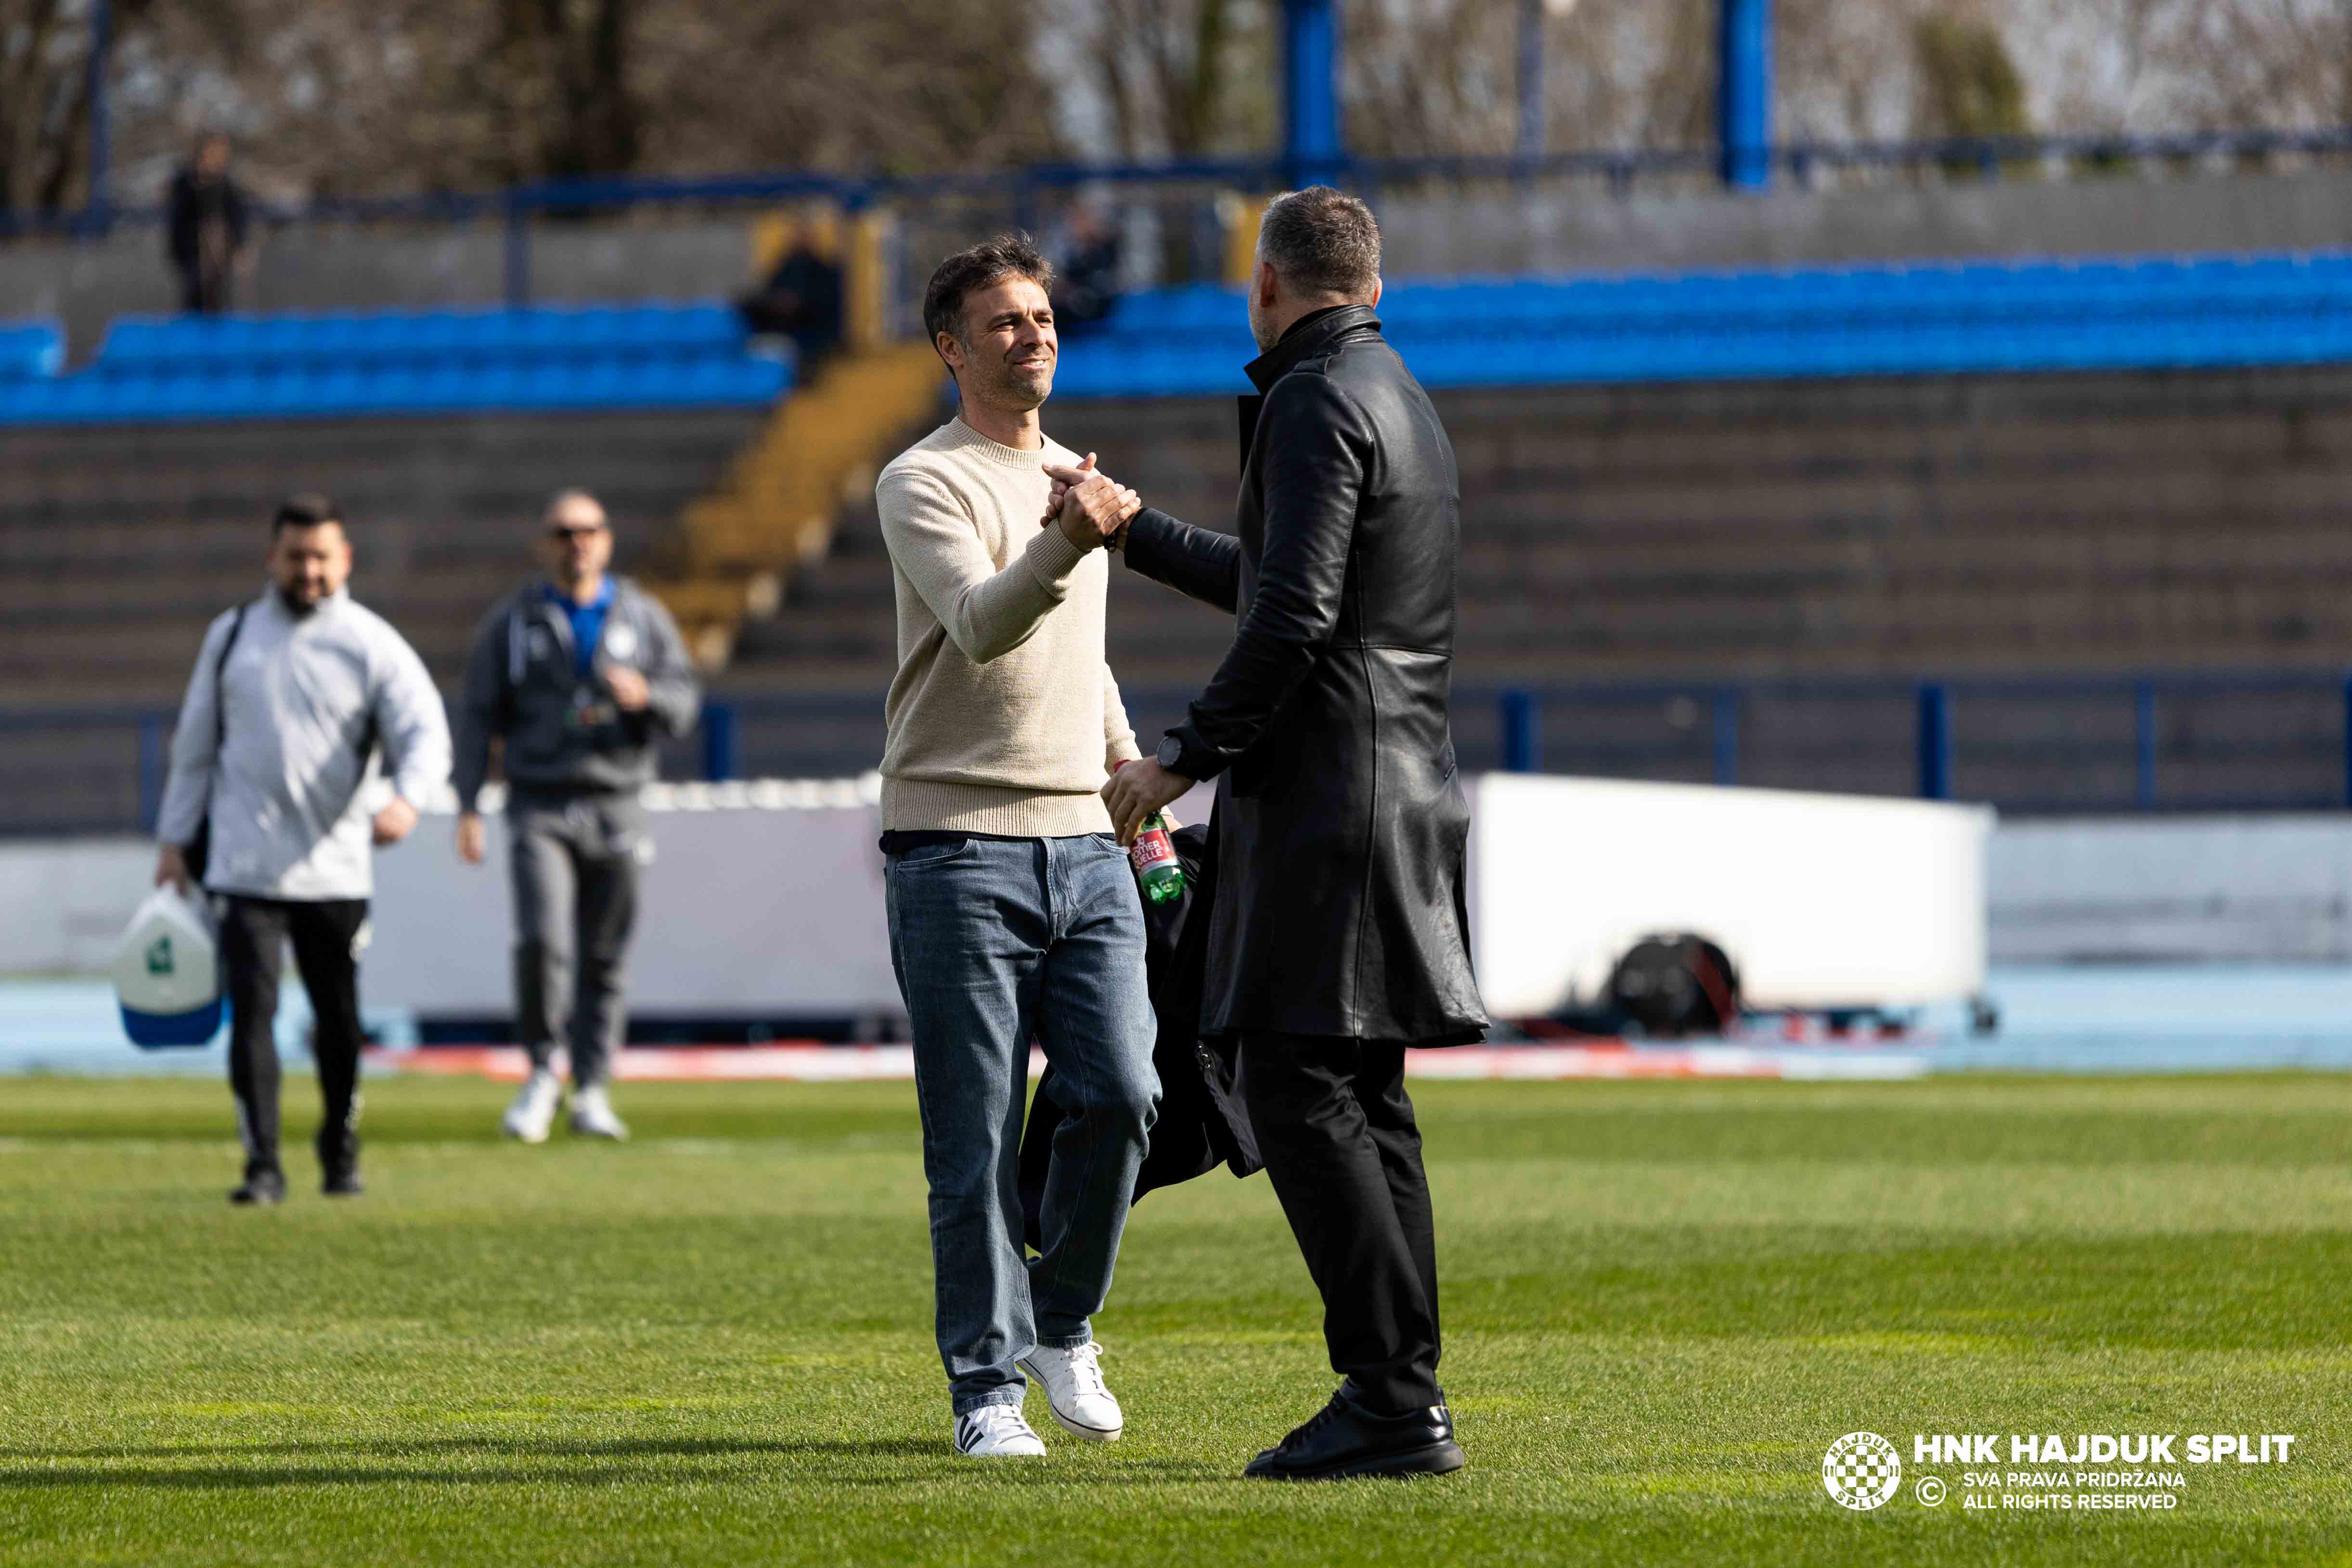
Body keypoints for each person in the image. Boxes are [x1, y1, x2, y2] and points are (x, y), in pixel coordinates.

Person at [1087, 187, 1488, 1480]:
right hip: (1397, 787)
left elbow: (1293, 615)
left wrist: (1179, 757)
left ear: (1265, 284)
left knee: (1295, 1083)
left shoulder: (1313, 401)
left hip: (1330, 802)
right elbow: (1291, 585)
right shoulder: (1397, 397)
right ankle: (1404, 1391)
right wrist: (1132, 529)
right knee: (1362, 1092)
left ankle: (1385, 1395)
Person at [876, 235, 1157, 1460]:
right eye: (1002, 322)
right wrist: (1069, 537)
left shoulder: (1071, 477)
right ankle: (985, 1391)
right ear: (951, 347)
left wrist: (1135, 789)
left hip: (1085, 840)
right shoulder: (922, 481)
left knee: (1127, 1093)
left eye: (1042, 317)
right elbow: (986, 627)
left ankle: (1061, 1321)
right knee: (977, 1136)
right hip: (955, 844)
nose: (1033, 334)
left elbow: (1078, 659)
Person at [154, 494, 451, 1206]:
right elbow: (194, 750)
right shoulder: (231, 638)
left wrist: (408, 797)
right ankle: (262, 1163)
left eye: (322, 557)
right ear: (272, 558)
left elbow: (425, 731)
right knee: (251, 1017)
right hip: (245, 864)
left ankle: (338, 1144)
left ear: (344, 560)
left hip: (335, 866)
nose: (309, 570)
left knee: (339, 1020)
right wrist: (173, 841)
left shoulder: (370, 643)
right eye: (297, 556)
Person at [452, 490, 700, 1144]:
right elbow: (479, 714)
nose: (577, 542)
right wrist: (468, 802)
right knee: (542, 939)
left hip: (617, 800)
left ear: (608, 539)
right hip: (540, 803)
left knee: (604, 953)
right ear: (545, 543)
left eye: (588, 530)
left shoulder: (641, 616)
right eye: (563, 532)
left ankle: (591, 1086)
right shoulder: (513, 622)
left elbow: (684, 699)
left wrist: (646, 695)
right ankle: (540, 1070)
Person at [165, 133, 251, 315]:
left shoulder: (227, 186)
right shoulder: (185, 184)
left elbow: (238, 217)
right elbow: (178, 220)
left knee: (222, 299)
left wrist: (241, 246)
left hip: (221, 256)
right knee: (196, 298)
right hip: (193, 253)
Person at [736, 237, 844, 376]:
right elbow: (768, 294)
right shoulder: (786, 267)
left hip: (808, 330)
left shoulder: (822, 274)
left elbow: (824, 306)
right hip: (776, 326)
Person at [1050, 203, 1122, 334]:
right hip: (1076, 306)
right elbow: (1067, 277)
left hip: (1096, 307)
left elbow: (1102, 286)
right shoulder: (1075, 254)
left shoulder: (1105, 252)